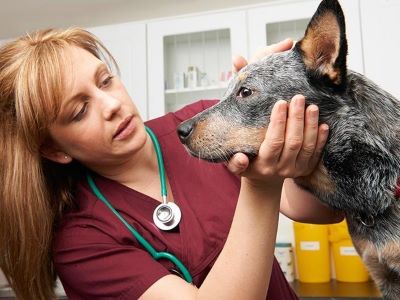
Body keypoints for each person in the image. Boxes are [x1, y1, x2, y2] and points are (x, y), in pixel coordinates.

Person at [0, 28, 343, 300]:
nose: (111, 105)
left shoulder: (204, 126)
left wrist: (270, 97)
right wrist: (260, 186)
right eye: (79, 111)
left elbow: (322, 211)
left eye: (105, 80)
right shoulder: (81, 240)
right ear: (54, 150)